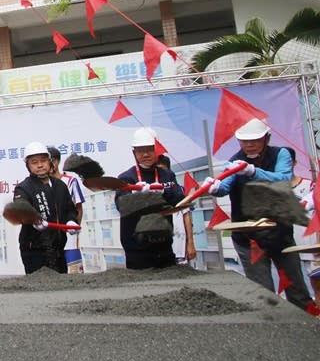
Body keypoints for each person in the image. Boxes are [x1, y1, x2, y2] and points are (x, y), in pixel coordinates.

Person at [208, 118, 317, 313]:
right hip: (248, 237)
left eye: (255, 140)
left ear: (266, 138)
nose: (249, 145)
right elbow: (225, 186)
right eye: (244, 141)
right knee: (262, 292)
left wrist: (252, 172)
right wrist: (214, 188)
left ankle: (307, 326)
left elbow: (283, 179)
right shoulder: (235, 161)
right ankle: (272, 332)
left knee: (296, 288)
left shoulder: (280, 154)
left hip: (279, 232)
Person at [115, 127, 186, 270]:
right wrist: (137, 196)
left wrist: (164, 192)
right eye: (140, 150)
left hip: (163, 245)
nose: (146, 154)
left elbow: (179, 198)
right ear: (134, 153)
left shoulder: (167, 175)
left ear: (157, 150)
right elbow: (121, 206)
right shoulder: (126, 178)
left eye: (149, 149)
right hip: (136, 248)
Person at [13, 142, 78, 274]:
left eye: (43, 161)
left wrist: (71, 220)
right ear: (28, 166)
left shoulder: (60, 186)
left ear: (50, 162)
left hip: (58, 248)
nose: (40, 165)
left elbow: (70, 209)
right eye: (34, 162)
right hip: (34, 250)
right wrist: (34, 219)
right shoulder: (24, 188)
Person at [48, 146, 84, 273]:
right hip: (51, 237)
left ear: (56, 161)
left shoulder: (70, 181)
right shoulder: (40, 183)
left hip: (69, 233)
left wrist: (74, 226)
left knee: (74, 271)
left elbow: (78, 207)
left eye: (50, 160)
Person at [155, 154, 197, 265]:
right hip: (160, 246)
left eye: (163, 170)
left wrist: (190, 244)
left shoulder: (179, 192)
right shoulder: (150, 192)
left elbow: (187, 216)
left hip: (180, 245)